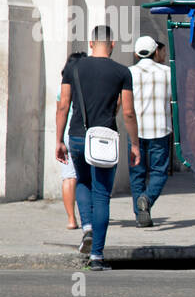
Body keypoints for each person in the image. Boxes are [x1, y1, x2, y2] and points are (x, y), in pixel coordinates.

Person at [55, 26, 139, 270]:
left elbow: (63, 106)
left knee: (82, 181)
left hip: (78, 137)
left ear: (91, 43)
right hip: (105, 139)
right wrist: (134, 144)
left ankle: (88, 227)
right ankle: (97, 257)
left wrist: (59, 140)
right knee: (102, 193)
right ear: (112, 45)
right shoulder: (122, 72)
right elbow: (128, 112)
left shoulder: (73, 68)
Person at [128, 35, 172, 227]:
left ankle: (140, 215)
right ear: (156, 52)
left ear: (136, 54)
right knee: (159, 172)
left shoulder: (128, 73)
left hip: (135, 132)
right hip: (160, 130)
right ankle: (147, 199)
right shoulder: (168, 73)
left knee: (136, 174)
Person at [57, 51, 85, 229]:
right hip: (84, 133)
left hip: (67, 133)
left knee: (69, 177)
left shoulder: (64, 88)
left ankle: (71, 219)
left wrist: (58, 139)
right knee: (86, 178)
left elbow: (60, 111)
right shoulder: (88, 85)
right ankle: (87, 218)